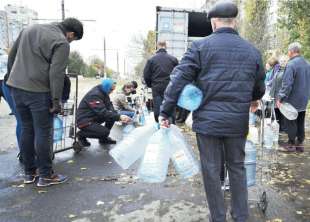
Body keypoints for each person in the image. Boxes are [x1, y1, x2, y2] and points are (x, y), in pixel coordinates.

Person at [159, 1, 265, 221]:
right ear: (234, 21)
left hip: (208, 123)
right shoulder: (252, 51)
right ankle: (240, 215)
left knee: (210, 169)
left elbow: (178, 80)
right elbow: (259, 86)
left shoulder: (199, 47)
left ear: (214, 22)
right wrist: (254, 99)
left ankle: (218, 217)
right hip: (237, 123)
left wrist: (165, 111)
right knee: (237, 167)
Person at [7, 18, 84, 187]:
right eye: (73, 39)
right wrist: (56, 101)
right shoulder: (61, 42)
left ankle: (29, 173)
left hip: (16, 88)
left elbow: (12, 55)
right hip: (38, 91)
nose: (71, 41)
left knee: (27, 129)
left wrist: (10, 79)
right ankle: (46, 175)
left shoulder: (30, 28)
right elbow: (56, 73)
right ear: (71, 34)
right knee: (43, 132)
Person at [76, 78, 131, 147]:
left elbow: (109, 104)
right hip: (84, 120)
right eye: (111, 89)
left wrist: (114, 113)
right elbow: (102, 112)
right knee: (105, 132)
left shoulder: (103, 91)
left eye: (113, 89)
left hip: (92, 116)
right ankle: (81, 135)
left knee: (112, 116)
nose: (112, 91)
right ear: (107, 87)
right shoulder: (94, 95)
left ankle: (103, 139)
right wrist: (119, 117)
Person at [277, 42, 310, 153]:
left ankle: (291, 143)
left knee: (291, 120)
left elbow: (287, 84)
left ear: (291, 51)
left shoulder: (291, 64)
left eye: (288, 51)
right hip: (304, 97)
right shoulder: (307, 63)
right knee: (300, 120)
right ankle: (300, 143)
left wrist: (280, 97)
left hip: (293, 99)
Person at [143, 40, 178, 122]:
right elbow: (178, 74)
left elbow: (146, 75)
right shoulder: (173, 59)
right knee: (170, 108)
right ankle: (171, 126)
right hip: (170, 87)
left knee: (158, 109)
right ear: (166, 46)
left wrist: (150, 85)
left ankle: (159, 128)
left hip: (157, 87)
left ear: (157, 46)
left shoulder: (151, 60)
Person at [269, 55, 288, 132]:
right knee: (276, 112)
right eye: (281, 61)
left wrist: (281, 96)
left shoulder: (287, 71)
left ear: (287, 62)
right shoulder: (278, 70)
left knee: (281, 113)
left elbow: (286, 85)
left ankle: (282, 129)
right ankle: (278, 129)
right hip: (274, 95)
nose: (282, 62)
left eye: (284, 61)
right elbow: (274, 81)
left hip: (281, 96)